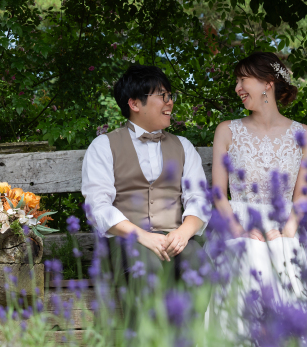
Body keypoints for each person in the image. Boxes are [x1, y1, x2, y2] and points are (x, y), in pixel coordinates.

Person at [207, 51, 307, 330]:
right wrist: (240, 231)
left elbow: (301, 195)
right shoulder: (227, 131)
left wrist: (288, 231)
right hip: (239, 224)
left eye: (243, 80)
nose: (237, 88)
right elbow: (219, 193)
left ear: (268, 82)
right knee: (251, 254)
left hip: (286, 225)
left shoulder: (304, 134)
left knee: (283, 257)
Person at [81, 64, 211, 291]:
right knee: (146, 266)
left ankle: (189, 328)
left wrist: (182, 233)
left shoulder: (184, 147)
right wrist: (142, 236)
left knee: (199, 263)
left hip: (176, 239)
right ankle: (145, 328)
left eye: (170, 96)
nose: (169, 102)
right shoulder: (103, 146)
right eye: (162, 96)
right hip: (127, 242)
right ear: (134, 104)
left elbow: (199, 199)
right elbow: (98, 206)